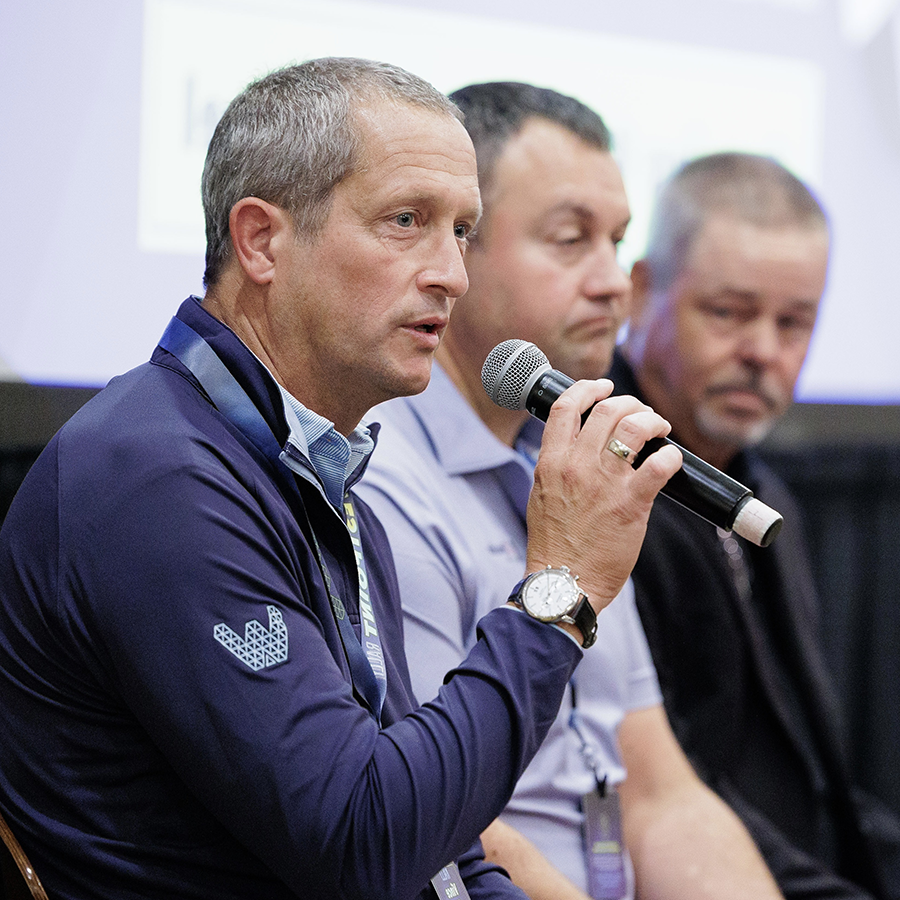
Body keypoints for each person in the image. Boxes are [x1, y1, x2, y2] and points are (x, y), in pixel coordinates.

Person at [0, 58, 687, 900]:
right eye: (406, 220)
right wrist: (560, 588)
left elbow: (444, 853)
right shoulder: (156, 476)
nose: (453, 275)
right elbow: (362, 844)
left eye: (463, 231)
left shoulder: (306, 464)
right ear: (261, 241)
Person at [358, 82, 783, 900]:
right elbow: (454, 826)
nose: (613, 283)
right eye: (569, 240)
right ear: (459, 252)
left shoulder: (568, 461)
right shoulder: (380, 477)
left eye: (618, 241)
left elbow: (662, 794)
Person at [613, 151, 900, 899]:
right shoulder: (601, 483)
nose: (762, 353)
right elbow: (674, 784)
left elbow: (812, 774)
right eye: (728, 313)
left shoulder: (766, 488)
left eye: (794, 322)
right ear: (641, 293)